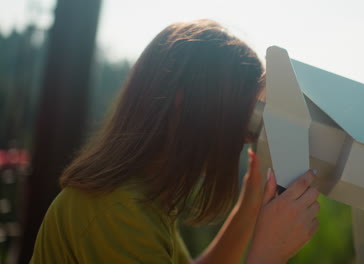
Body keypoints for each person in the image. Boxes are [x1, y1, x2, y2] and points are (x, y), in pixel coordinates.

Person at [30, 19, 320, 264]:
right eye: (235, 116)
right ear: (183, 105)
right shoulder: (115, 211)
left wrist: (251, 203)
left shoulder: (141, 199)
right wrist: (268, 254)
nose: (245, 138)